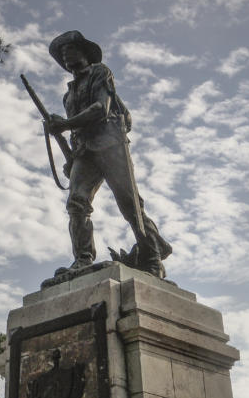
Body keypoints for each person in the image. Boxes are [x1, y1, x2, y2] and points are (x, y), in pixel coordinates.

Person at [46, 30, 171, 280]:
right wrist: (71, 159)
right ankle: (82, 259)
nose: (65, 54)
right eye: (62, 53)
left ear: (83, 52)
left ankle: (153, 257)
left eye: (69, 49)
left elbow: (100, 109)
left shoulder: (100, 72)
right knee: (76, 203)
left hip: (110, 145)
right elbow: (76, 132)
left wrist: (65, 123)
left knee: (131, 206)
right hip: (85, 152)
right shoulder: (68, 94)